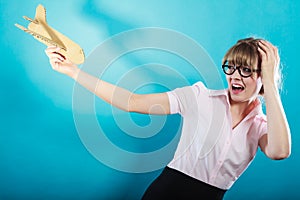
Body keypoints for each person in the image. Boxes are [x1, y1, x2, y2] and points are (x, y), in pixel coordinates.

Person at [45, 37, 291, 200]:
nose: (235, 76)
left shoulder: (262, 127)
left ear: (263, 76)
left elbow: (279, 152)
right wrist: (73, 71)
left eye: (246, 70)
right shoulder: (199, 97)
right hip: (166, 192)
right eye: (231, 67)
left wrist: (270, 84)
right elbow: (131, 101)